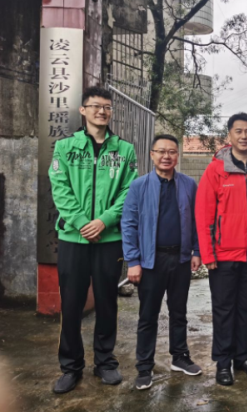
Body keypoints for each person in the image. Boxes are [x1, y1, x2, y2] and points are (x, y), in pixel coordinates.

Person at [49, 86, 138, 394]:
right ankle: (71, 366)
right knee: (71, 304)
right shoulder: (65, 148)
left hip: (108, 239)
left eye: (107, 107)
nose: (102, 111)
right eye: (96, 106)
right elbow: (60, 187)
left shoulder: (124, 150)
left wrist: (104, 220)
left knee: (107, 302)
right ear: (83, 110)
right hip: (73, 239)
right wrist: (81, 222)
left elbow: (128, 190)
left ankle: (105, 362)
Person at [195, 113, 247, 386]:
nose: (244, 136)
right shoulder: (216, 169)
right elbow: (203, 213)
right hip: (223, 256)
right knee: (223, 310)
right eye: (238, 131)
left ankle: (242, 357)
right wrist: (208, 254)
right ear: (229, 135)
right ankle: (223, 361)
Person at [121, 134, 202, 390]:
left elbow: (197, 220)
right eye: (161, 151)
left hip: (180, 259)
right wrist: (133, 261)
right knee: (148, 315)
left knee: (179, 312)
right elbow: (129, 224)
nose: (166, 156)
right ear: (152, 155)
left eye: (172, 152)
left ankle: (180, 357)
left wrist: (197, 251)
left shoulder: (188, 184)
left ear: (177, 155)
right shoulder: (139, 186)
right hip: (150, 261)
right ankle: (144, 366)